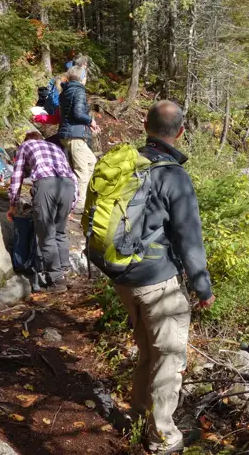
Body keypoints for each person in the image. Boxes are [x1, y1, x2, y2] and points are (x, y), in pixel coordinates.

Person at [112, 100, 215, 454]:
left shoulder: (126, 164)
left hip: (123, 277)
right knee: (168, 357)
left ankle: (139, 414)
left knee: (147, 350)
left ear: (145, 125)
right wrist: (203, 286)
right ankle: (163, 437)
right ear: (181, 133)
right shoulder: (174, 175)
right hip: (157, 280)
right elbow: (189, 237)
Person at [7, 131, 78, 293]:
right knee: (60, 231)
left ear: (27, 140)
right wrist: (72, 204)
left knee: (46, 234)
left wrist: (13, 204)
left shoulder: (25, 146)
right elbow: (72, 175)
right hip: (67, 186)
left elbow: (17, 175)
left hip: (46, 185)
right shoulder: (55, 147)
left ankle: (56, 280)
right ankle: (66, 272)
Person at [58, 65, 99, 213]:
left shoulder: (65, 91)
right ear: (83, 78)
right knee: (81, 169)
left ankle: (80, 197)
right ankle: (79, 204)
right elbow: (78, 113)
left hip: (66, 133)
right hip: (74, 135)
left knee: (91, 161)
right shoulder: (79, 91)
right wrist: (91, 121)